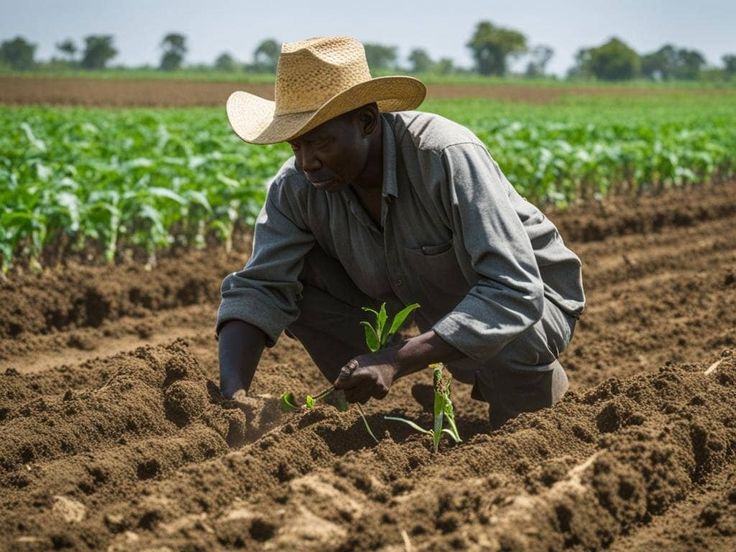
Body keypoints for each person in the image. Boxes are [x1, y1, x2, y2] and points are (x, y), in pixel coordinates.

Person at [217, 36, 585, 429]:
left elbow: (514, 290)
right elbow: (260, 287)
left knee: (520, 410)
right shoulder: (296, 187)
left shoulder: (444, 156)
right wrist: (233, 395)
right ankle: (387, 404)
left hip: (529, 297)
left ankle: (526, 394)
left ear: (367, 121)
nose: (307, 162)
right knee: (293, 277)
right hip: (411, 298)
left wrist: (395, 359)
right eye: (295, 145)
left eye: (321, 141)